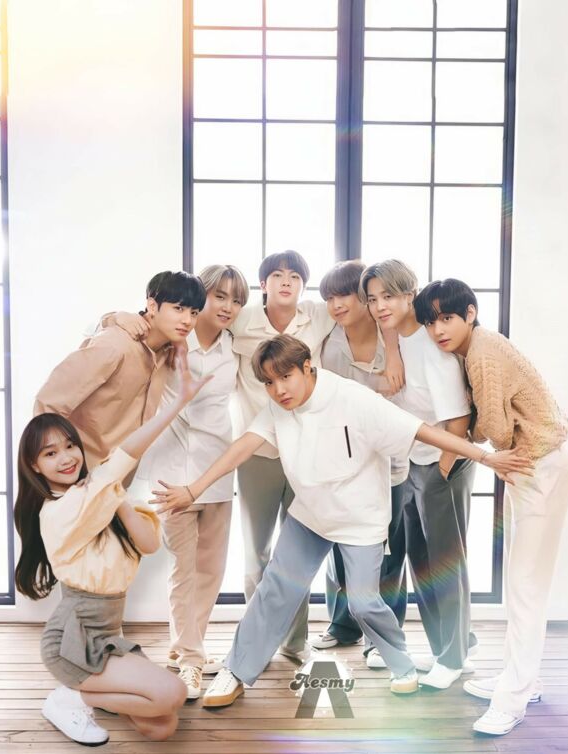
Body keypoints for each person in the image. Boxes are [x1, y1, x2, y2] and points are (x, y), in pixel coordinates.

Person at [150, 334, 532, 709]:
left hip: (359, 519)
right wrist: (193, 489)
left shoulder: (353, 399)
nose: (278, 390)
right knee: (275, 589)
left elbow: (422, 431)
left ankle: (400, 664)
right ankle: (236, 670)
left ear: (307, 367)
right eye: (268, 382)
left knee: (363, 604)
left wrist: (485, 458)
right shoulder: (278, 406)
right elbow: (243, 446)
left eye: (286, 377)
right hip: (311, 515)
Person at [13, 352, 211, 745]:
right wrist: (177, 404)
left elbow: (149, 544)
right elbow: (126, 455)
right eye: (50, 453)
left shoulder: (98, 497)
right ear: (34, 466)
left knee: (161, 726)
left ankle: (85, 695)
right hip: (72, 641)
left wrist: (117, 497)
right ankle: (70, 698)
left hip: (108, 635)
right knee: (171, 693)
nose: (66, 458)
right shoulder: (59, 510)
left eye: (70, 446)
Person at [414, 278, 568, 736]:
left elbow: (498, 432)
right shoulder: (476, 348)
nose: (438, 330)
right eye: (430, 322)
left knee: (525, 588)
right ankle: (521, 679)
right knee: (521, 585)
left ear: (470, 313)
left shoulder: (482, 352)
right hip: (533, 469)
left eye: (447, 318)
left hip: (540, 468)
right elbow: (495, 427)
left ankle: (513, 698)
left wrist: (465, 429)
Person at [228, 251, 403, 661]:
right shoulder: (241, 319)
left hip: (310, 451)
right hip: (258, 452)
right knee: (258, 554)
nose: (285, 282)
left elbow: (377, 307)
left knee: (320, 544)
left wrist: (393, 352)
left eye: (294, 276)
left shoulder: (317, 315)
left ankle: (296, 642)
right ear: (263, 283)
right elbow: (203, 315)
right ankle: (259, 643)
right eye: (277, 275)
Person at [111, 264, 249, 699]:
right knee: (183, 569)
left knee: (210, 571)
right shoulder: (167, 339)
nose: (227, 307)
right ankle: (190, 660)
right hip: (170, 473)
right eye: (219, 296)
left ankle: (186, 648)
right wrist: (114, 316)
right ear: (199, 299)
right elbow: (110, 330)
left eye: (237, 300)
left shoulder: (235, 348)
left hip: (216, 470)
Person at [361, 260, 477, 690]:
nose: (379, 306)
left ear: (410, 294)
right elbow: (394, 332)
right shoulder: (399, 336)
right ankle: (447, 646)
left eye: (388, 296)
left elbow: (458, 418)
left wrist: (441, 473)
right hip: (415, 462)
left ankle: (454, 657)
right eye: (373, 299)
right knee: (423, 564)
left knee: (446, 563)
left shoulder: (432, 346)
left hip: (444, 463)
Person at [311, 260, 410, 670]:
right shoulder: (329, 343)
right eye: (329, 297)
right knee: (341, 544)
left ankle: (382, 638)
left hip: (391, 460)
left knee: (389, 549)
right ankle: (343, 625)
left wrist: (394, 353)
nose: (336, 305)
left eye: (345, 296)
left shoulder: (395, 339)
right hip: (345, 460)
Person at [34, 270, 205, 468]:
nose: (187, 321)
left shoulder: (169, 352)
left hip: (118, 475)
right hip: (79, 471)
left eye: (194, 313)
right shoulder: (115, 345)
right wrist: (57, 465)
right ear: (152, 306)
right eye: (178, 308)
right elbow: (48, 402)